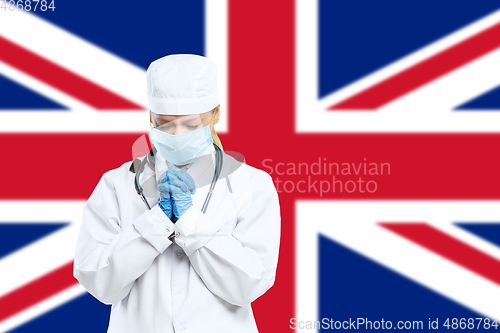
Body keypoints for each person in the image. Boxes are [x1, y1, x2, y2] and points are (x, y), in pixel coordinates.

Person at [73, 54, 281, 333]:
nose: (177, 133)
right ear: (150, 117)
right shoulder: (117, 184)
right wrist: (156, 222)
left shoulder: (253, 184)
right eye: (164, 123)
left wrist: (190, 222)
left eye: (191, 125)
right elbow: (99, 283)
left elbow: (250, 285)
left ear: (216, 113)